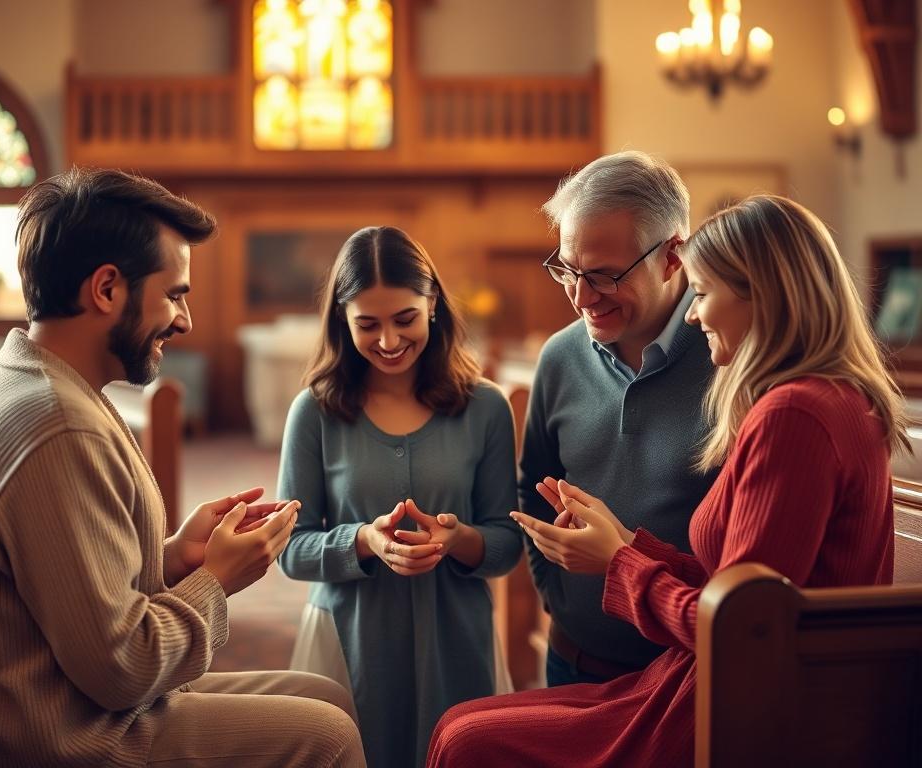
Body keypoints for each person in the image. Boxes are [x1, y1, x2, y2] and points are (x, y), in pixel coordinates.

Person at [426, 194, 906, 767]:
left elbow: (740, 634)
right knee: (465, 726)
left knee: (465, 738)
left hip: (749, 711)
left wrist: (619, 563)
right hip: (730, 685)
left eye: (703, 294)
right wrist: (623, 545)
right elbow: (738, 592)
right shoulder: (829, 400)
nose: (695, 314)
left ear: (763, 296)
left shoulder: (793, 416)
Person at [0, 168, 366, 768]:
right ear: (107, 289)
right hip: (72, 738)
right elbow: (123, 668)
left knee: (325, 695)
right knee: (330, 736)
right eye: (175, 294)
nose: (184, 321)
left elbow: (60, 587)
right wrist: (215, 582)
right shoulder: (58, 425)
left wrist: (173, 557)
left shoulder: (32, 380)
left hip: (60, 701)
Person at [277, 226, 523, 768]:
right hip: (349, 639)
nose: (388, 341)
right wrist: (362, 540)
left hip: (458, 637)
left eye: (404, 319)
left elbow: (508, 545)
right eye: (368, 324)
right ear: (343, 321)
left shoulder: (485, 408)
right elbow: (289, 549)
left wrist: (460, 540)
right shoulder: (315, 412)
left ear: (432, 303)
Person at [520, 151, 717, 686]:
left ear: (673, 257)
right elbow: (531, 484)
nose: (582, 298)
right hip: (571, 659)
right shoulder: (560, 357)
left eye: (605, 276)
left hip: (684, 674)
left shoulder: (730, 354)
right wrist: (557, 599)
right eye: (567, 269)